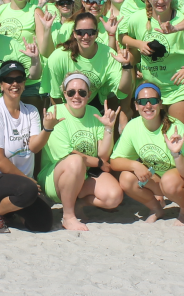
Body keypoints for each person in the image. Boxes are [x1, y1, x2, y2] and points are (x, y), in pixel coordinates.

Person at [0, 61, 54, 233]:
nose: (14, 84)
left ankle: (9, 210)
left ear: (24, 83)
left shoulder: (31, 111)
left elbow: (34, 147)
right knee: (28, 190)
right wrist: (26, 180)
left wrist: (47, 129)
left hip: (19, 182)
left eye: (19, 79)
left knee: (43, 222)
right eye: (8, 80)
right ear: (1, 85)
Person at [38, 73, 121, 231]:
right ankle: (68, 216)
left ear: (89, 95)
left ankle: (78, 203)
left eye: (82, 92)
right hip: (55, 176)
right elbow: (67, 155)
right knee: (75, 160)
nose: (76, 96)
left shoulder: (92, 111)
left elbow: (103, 153)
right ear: (64, 94)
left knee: (114, 197)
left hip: (82, 175)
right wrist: (99, 163)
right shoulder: (55, 111)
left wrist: (108, 129)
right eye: (71, 92)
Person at [109, 83, 184, 224]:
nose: (148, 105)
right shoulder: (133, 126)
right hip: (158, 181)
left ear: (161, 104)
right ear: (136, 105)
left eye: (154, 101)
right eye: (143, 102)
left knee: (169, 180)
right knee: (127, 178)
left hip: (183, 182)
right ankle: (156, 208)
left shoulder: (176, 128)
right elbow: (114, 161)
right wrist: (135, 165)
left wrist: (177, 154)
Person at [119, 0, 184, 128]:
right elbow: (122, 36)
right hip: (149, 88)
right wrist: (138, 45)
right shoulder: (138, 19)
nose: (160, 1)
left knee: (178, 133)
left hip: (178, 88)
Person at [46, 11, 133, 112]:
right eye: (81, 32)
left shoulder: (109, 54)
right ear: (74, 34)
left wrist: (126, 66)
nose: (86, 36)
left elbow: (124, 90)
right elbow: (55, 96)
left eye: (91, 32)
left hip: (93, 104)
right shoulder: (58, 57)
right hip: (64, 106)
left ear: (97, 34)